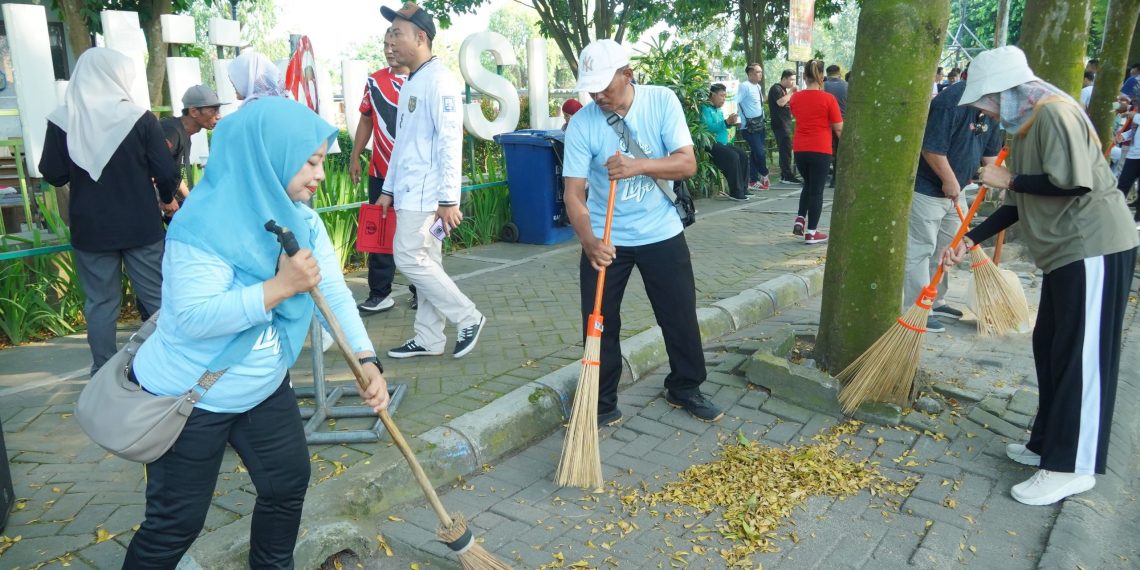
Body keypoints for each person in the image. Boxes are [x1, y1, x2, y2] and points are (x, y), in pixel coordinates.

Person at [120, 96, 390, 567]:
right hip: (192, 397)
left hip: (263, 387)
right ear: (269, 156)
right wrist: (279, 288)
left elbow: (334, 296)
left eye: (322, 162)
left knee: (286, 486)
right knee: (175, 524)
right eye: (310, 162)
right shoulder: (199, 225)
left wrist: (366, 361)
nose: (319, 175)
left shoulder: (300, 219)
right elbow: (192, 318)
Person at [944, 46, 1138, 506]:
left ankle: (1073, 466)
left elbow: (1072, 183)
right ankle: (1047, 443)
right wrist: (971, 237)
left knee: (1080, 356)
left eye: (983, 103)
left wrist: (1006, 179)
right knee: (1050, 346)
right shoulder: (1027, 123)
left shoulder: (1054, 114)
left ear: (1004, 93)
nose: (982, 112)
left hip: (1094, 247)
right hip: (1065, 254)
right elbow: (1022, 200)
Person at [563, 38, 722, 426]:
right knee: (599, 321)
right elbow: (573, 192)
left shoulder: (661, 101)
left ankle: (685, 387)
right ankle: (601, 403)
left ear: (627, 74)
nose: (598, 95)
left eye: (606, 86)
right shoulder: (583, 123)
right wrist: (589, 241)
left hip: (660, 231)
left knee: (678, 313)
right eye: (591, 88)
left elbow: (686, 164)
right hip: (606, 237)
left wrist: (637, 166)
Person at [38, 48, 180, 375]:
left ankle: (103, 373)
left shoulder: (63, 119)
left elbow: (53, 173)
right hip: (140, 225)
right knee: (158, 300)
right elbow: (168, 171)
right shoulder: (139, 118)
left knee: (100, 305)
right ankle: (165, 367)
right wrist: (164, 195)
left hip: (91, 228)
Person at [380, 2, 486, 359]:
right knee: (428, 264)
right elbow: (402, 144)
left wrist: (448, 200)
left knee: (409, 258)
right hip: (410, 190)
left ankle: (468, 315)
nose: (390, 41)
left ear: (421, 37)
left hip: (428, 195)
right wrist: (387, 190)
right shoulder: (412, 81)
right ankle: (428, 337)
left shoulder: (440, 81)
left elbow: (449, 141)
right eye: (389, 34)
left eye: (397, 33)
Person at [904, 77, 1002, 333]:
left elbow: (990, 154)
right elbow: (932, 149)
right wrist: (948, 180)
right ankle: (918, 306)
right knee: (921, 247)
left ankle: (936, 299)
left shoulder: (991, 108)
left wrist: (998, 179)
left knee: (948, 247)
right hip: (929, 190)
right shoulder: (951, 102)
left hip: (959, 190)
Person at [349, 28, 409, 315]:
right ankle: (379, 294)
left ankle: (423, 291)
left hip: (414, 174)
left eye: (394, 42)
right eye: (385, 43)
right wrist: (355, 155)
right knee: (381, 234)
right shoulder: (374, 81)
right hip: (380, 172)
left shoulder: (422, 79)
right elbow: (365, 120)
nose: (388, 48)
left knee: (417, 235)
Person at [789, 59, 842, 244]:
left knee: (808, 184)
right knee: (817, 191)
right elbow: (838, 127)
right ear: (822, 77)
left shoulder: (795, 97)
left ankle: (800, 218)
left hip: (800, 149)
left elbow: (797, 115)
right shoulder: (829, 99)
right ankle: (811, 232)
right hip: (821, 148)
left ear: (804, 76)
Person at [160, 85, 222, 210]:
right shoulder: (171, 131)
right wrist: (167, 199)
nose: (218, 116)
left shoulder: (184, 134)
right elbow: (155, 168)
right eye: (213, 110)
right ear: (193, 112)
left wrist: (191, 201)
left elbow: (174, 175)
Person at [701, 83, 750, 201]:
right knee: (733, 156)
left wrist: (731, 123)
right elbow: (707, 128)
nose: (723, 99)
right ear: (712, 95)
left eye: (725, 96)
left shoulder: (719, 110)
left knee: (743, 155)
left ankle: (743, 189)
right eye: (721, 96)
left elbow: (721, 126)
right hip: (711, 144)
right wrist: (726, 122)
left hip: (722, 144)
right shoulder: (705, 108)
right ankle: (736, 192)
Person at [735, 63, 770, 191]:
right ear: (750, 74)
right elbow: (735, 102)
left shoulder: (758, 87)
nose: (760, 74)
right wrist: (737, 119)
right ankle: (765, 173)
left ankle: (753, 180)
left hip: (760, 124)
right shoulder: (745, 86)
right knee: (759, 152)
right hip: (748, 127)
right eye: (757, 72)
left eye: (761, 72)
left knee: (756, 153)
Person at [768, 69, 800, 184]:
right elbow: (780, 103)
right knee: (785, 150)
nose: (793, 82)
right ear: (784, 78)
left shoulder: (785, 90)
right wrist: (791, 92)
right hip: (780, 125)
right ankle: (787, 175)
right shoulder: (776, 89)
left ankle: (785, 174)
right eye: (791, 79)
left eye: (794, 80)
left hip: (786, 123)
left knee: (786, 149)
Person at [823, 64, 848, 187]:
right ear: (839, 73)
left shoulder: (823, 86)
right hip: (842, 122)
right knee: (839, 151)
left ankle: (822, 178)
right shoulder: (847, 85)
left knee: (827, 151)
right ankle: (836, 180)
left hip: (825, 123)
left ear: (827, 74)